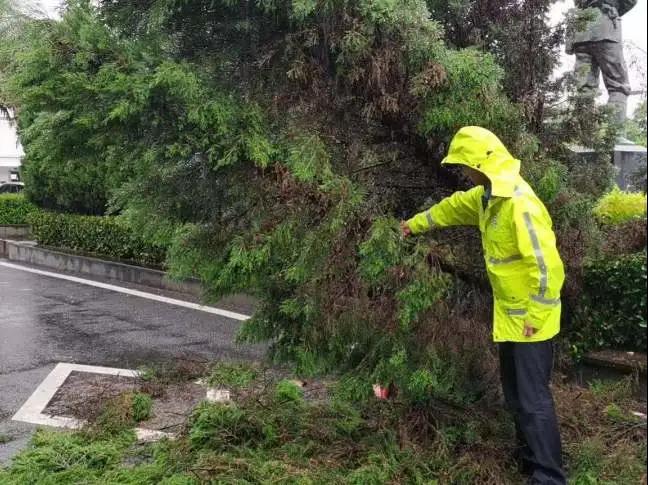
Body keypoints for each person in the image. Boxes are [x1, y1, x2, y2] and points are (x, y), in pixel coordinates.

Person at [401, 126, 566, 485]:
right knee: (517, 394)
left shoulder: (519, 204)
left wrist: (535, 318)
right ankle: (529, 460)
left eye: (465, 166)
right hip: (511, 316)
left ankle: (549, 477)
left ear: (480, 163)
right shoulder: (488, 197)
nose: (464, 173)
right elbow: (449, 209)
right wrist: (412, 227)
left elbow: (547, 267)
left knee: (533, 400)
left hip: (530, 320)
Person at [566, 0, 637, 125]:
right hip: (606, 26)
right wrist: (613, 8)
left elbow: (577, 4)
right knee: (618, 85)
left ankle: (586, 136)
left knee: (585, 87)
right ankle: (615, 134)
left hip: (582, 33)